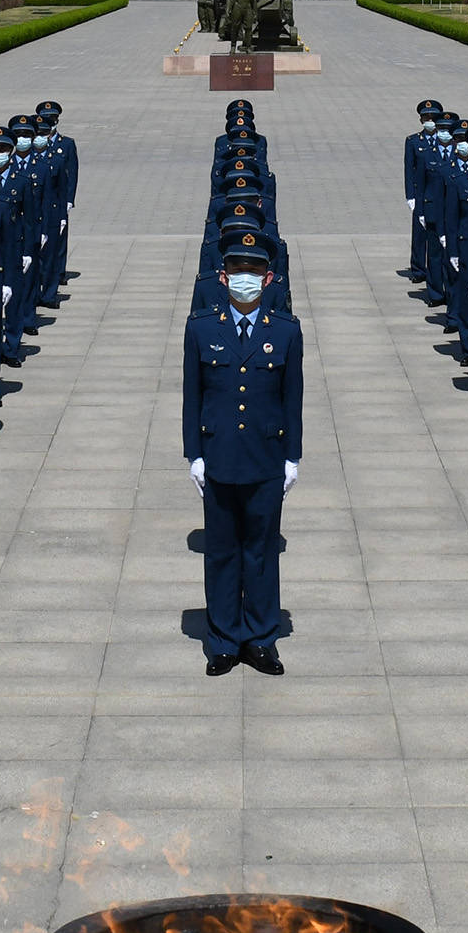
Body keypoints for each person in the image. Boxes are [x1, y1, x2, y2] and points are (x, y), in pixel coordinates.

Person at [183, 233, 302, 674]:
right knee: (221, 553)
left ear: (269, 279)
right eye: (237, 272)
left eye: (254, 273)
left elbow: (293, 398)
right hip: (219, 457)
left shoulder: (286, 331)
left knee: (261, 552)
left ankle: (261, 638)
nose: (245, 280)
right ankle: (223, 640)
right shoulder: (201, 327)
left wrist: (293, 456)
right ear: (222, 276)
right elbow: (191, 396)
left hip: (266, 458)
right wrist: (193, 453)